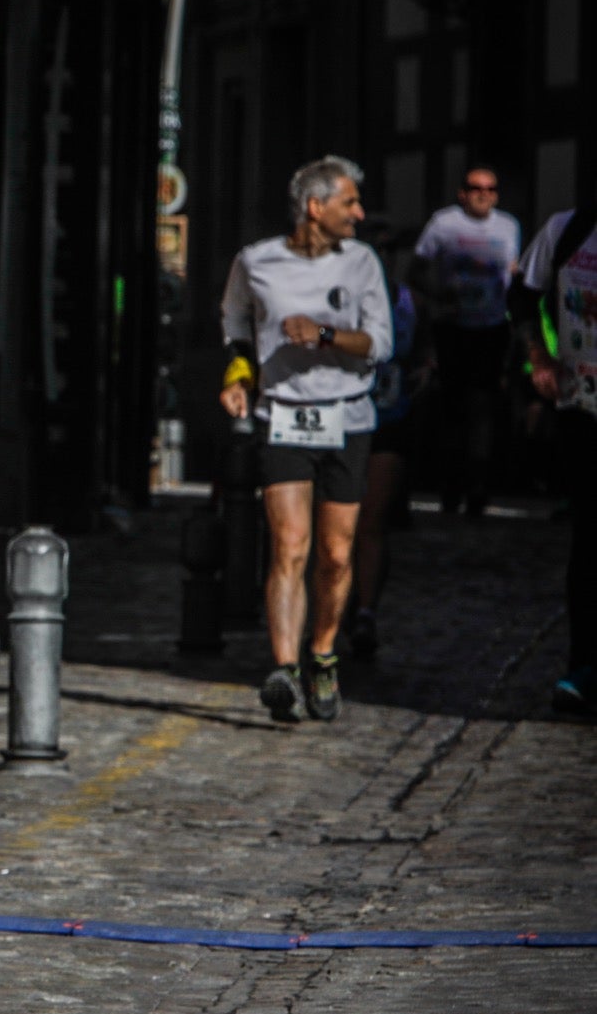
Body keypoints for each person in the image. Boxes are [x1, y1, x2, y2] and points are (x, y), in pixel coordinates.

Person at [220, 155, 393, 723]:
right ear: (315, 208)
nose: (359, 214)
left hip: (347, 415)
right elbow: (236, 327)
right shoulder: (256, 261)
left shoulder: (362, 263)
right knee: (289, 545)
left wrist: (322, 335)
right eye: (350, 203)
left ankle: (322, 654)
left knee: (336, 553)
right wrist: (238, 377)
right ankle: (283, 671)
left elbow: (379, 343)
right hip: (284, 416)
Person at [509, 200, 597, 717]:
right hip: (583, 408)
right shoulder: (568, 230)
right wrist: (536, 356)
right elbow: (521, 297)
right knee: (589, 540)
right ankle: (583, 663)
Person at [410, 167, 522, 516]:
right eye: (475, 188)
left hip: (490, 326)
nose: (483, 194)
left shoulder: (508, 226)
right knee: (453, 408)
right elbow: (416, 270)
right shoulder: (444, 224)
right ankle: (450, 484)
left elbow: (513, 270)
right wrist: (437, 298)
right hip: (453, 326)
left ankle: (478, 485)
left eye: (490, 188)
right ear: (462, 193)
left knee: (483, 406)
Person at [349, 227, 420, 659]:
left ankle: (365, 613)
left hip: (388, 419)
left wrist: (424, 370)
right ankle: (332, 606)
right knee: (335, 525)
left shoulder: (409, 302)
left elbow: (423, 350)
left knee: (372, 521)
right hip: (339, 419)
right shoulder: (337, 295)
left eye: (388, 253)